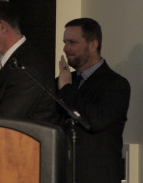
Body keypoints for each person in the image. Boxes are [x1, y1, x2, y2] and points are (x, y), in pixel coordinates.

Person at [56, 18, 130, 183]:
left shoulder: (116, 84)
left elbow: (96, 120)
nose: (65, 48)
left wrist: (67, 89)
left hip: (97, 177)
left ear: (93, 45)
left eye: (72, 42)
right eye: (65, 42)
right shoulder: (64, 81)